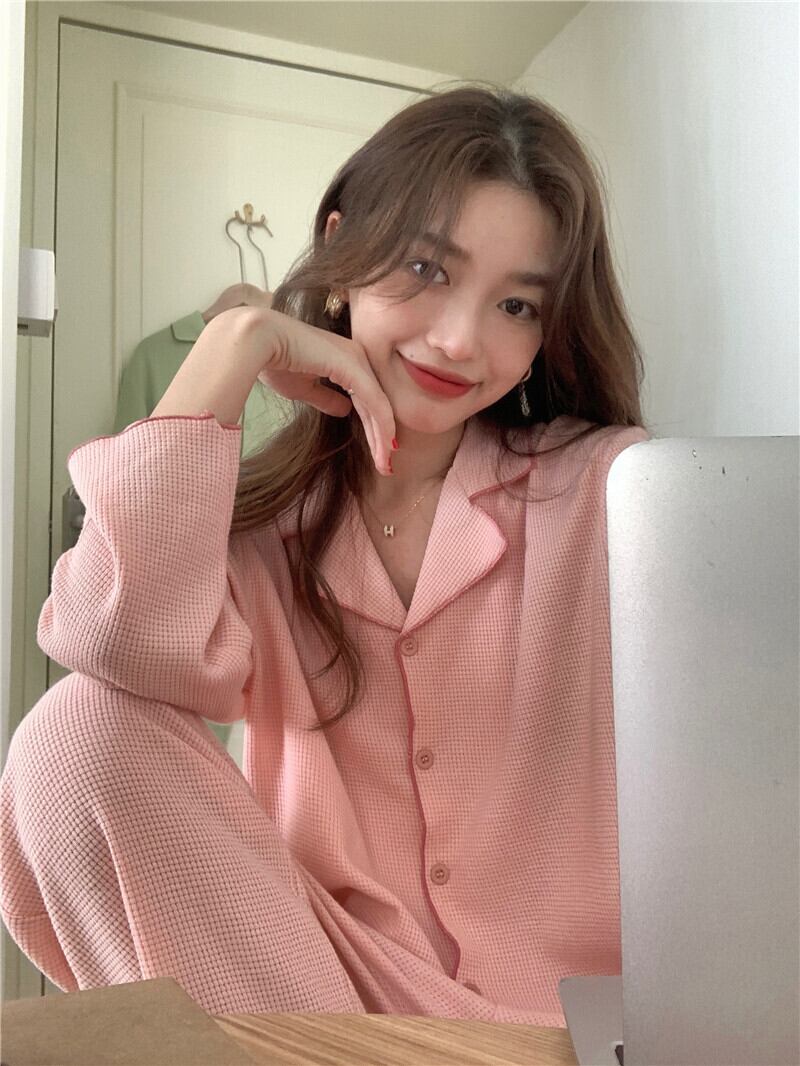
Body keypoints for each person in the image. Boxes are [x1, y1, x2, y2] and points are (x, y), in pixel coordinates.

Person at [0, 85, 648, 1027]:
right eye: (426, 267)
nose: (460, 339)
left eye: (516, 304)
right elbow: (116, 649)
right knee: (70, 735)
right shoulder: (261, 529)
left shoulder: (611, 491)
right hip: (330, 1005)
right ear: (343, 250)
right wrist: (234, 344)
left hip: (558, 1024)